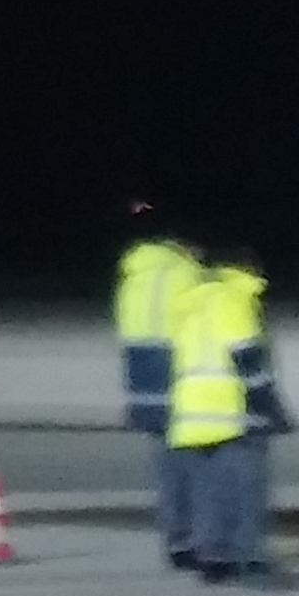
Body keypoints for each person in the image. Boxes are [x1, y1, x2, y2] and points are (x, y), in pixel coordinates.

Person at [165, 249, 288, 585]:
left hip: (189, 411)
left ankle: (212, 557)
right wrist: (272, 408)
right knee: (244, 488)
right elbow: (247, 356)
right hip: (229, 411)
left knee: (206, 489)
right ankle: (248, 556)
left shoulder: (188, 301)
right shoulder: (234, 299)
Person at [116, 226, 206, 568]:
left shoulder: (135, 275)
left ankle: (177, 542)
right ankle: (199, 540)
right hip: (183, 382)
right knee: (198, 469)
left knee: (168, 469)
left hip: (145, 386)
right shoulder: (188, 274)